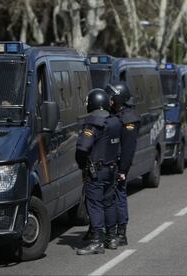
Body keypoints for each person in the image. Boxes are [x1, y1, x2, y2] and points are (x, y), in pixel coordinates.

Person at [75, 88, 122, 255]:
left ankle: (97, 242)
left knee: (94, 204)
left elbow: (82, 148)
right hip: (112, 169)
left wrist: (82, 166)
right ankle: (111, 238)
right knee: (109, 203)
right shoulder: (115, 121)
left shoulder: (93, 123)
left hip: (96, 171)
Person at [106, 82, 141, 246]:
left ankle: (121, 233)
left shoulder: (128, 119)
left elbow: (128, 148)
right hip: (113, 164)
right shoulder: (117, 114)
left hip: (120, 166)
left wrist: (122, 170)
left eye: (112, 97)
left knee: (119, 197)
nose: (110, 100)